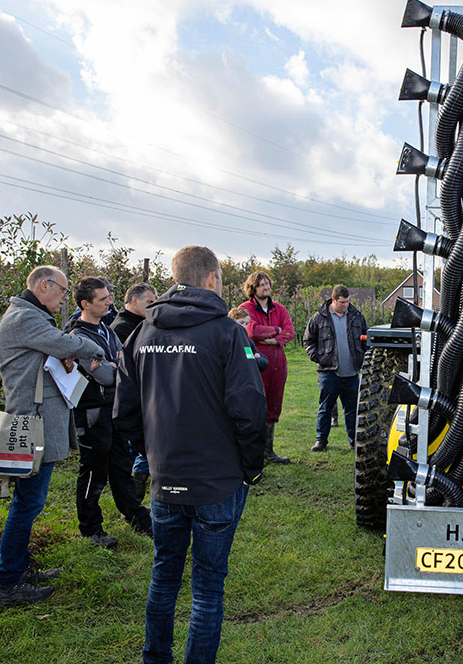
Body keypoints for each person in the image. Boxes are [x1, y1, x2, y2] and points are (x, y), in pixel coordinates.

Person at [114, 246, 266, 664]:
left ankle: (154, 657)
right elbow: (249, 410)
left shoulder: (142, 333)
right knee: (207, 587)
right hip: (216, 482)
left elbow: (125, 412)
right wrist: (250, 468)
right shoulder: (226, 332)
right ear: (212, 279)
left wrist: (154, 452)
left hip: (166, 480)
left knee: (164, 576)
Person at [0, 265, 104, 607]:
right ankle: (8, 584)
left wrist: (64, 356)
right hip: (32, 423)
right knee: (28, 503)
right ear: (44, 285)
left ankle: (20, 568)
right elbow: (60, 341)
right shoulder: (25, 318)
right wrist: (89, 347)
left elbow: (50, 350)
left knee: (28, 501)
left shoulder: (26, 316)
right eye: (63, 292)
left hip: (37, 420)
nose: (64, 299)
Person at [66, 277, 150, 547]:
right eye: (102, 299)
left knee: (121, 464)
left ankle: (134, 514)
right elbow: (103, 374)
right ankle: (91, 527)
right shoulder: (78, 336)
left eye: (108, 297)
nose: (109, 302)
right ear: (85, 304)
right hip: (92, 411)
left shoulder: (106, 330)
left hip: (111, 408)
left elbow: (121, 362)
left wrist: (115, 366)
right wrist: (116, 368)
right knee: (93, 469)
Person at [304, 285, 368, 451]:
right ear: (333, 300)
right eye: (342, 302)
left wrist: (363, 357)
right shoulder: (319, 317)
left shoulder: (357, 317)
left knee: (352, 410)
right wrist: (318, 358)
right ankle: (321, 440)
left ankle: (354, 441)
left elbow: (366, 340)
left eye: (347, 301)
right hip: (328, 372)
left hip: (352, 372)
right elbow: (308, 341)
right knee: (325, 408)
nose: (345, 304)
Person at [240, 272, 295, 465]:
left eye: (267, 284)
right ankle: (253, 451)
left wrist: (272, 337)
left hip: (278, 364)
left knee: (274, 405)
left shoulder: (279, 309)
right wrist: (276, 330)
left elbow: (289, 331)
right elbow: (251, 330)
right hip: (256, 363)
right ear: (253, 288)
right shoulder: (245, 309)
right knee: (256, 405)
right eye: (261, 285)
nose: (266, 287)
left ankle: (268, 450)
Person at [109, 282, 158, 497]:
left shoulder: (143, 325)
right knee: (138, 451)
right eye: (149, 302)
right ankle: (132, 497)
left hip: (141, 396)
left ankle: (133, 497)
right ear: (133, 300)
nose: (153, 306)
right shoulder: (123, 328)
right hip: (134, 397)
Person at [228, 306, 269, 372]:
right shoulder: (228, 341)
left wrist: (252, 360)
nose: (244, 326)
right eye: (241, 323)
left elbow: (264, 362)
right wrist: (253, 358)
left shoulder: (248, 342)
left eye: (247, 323)